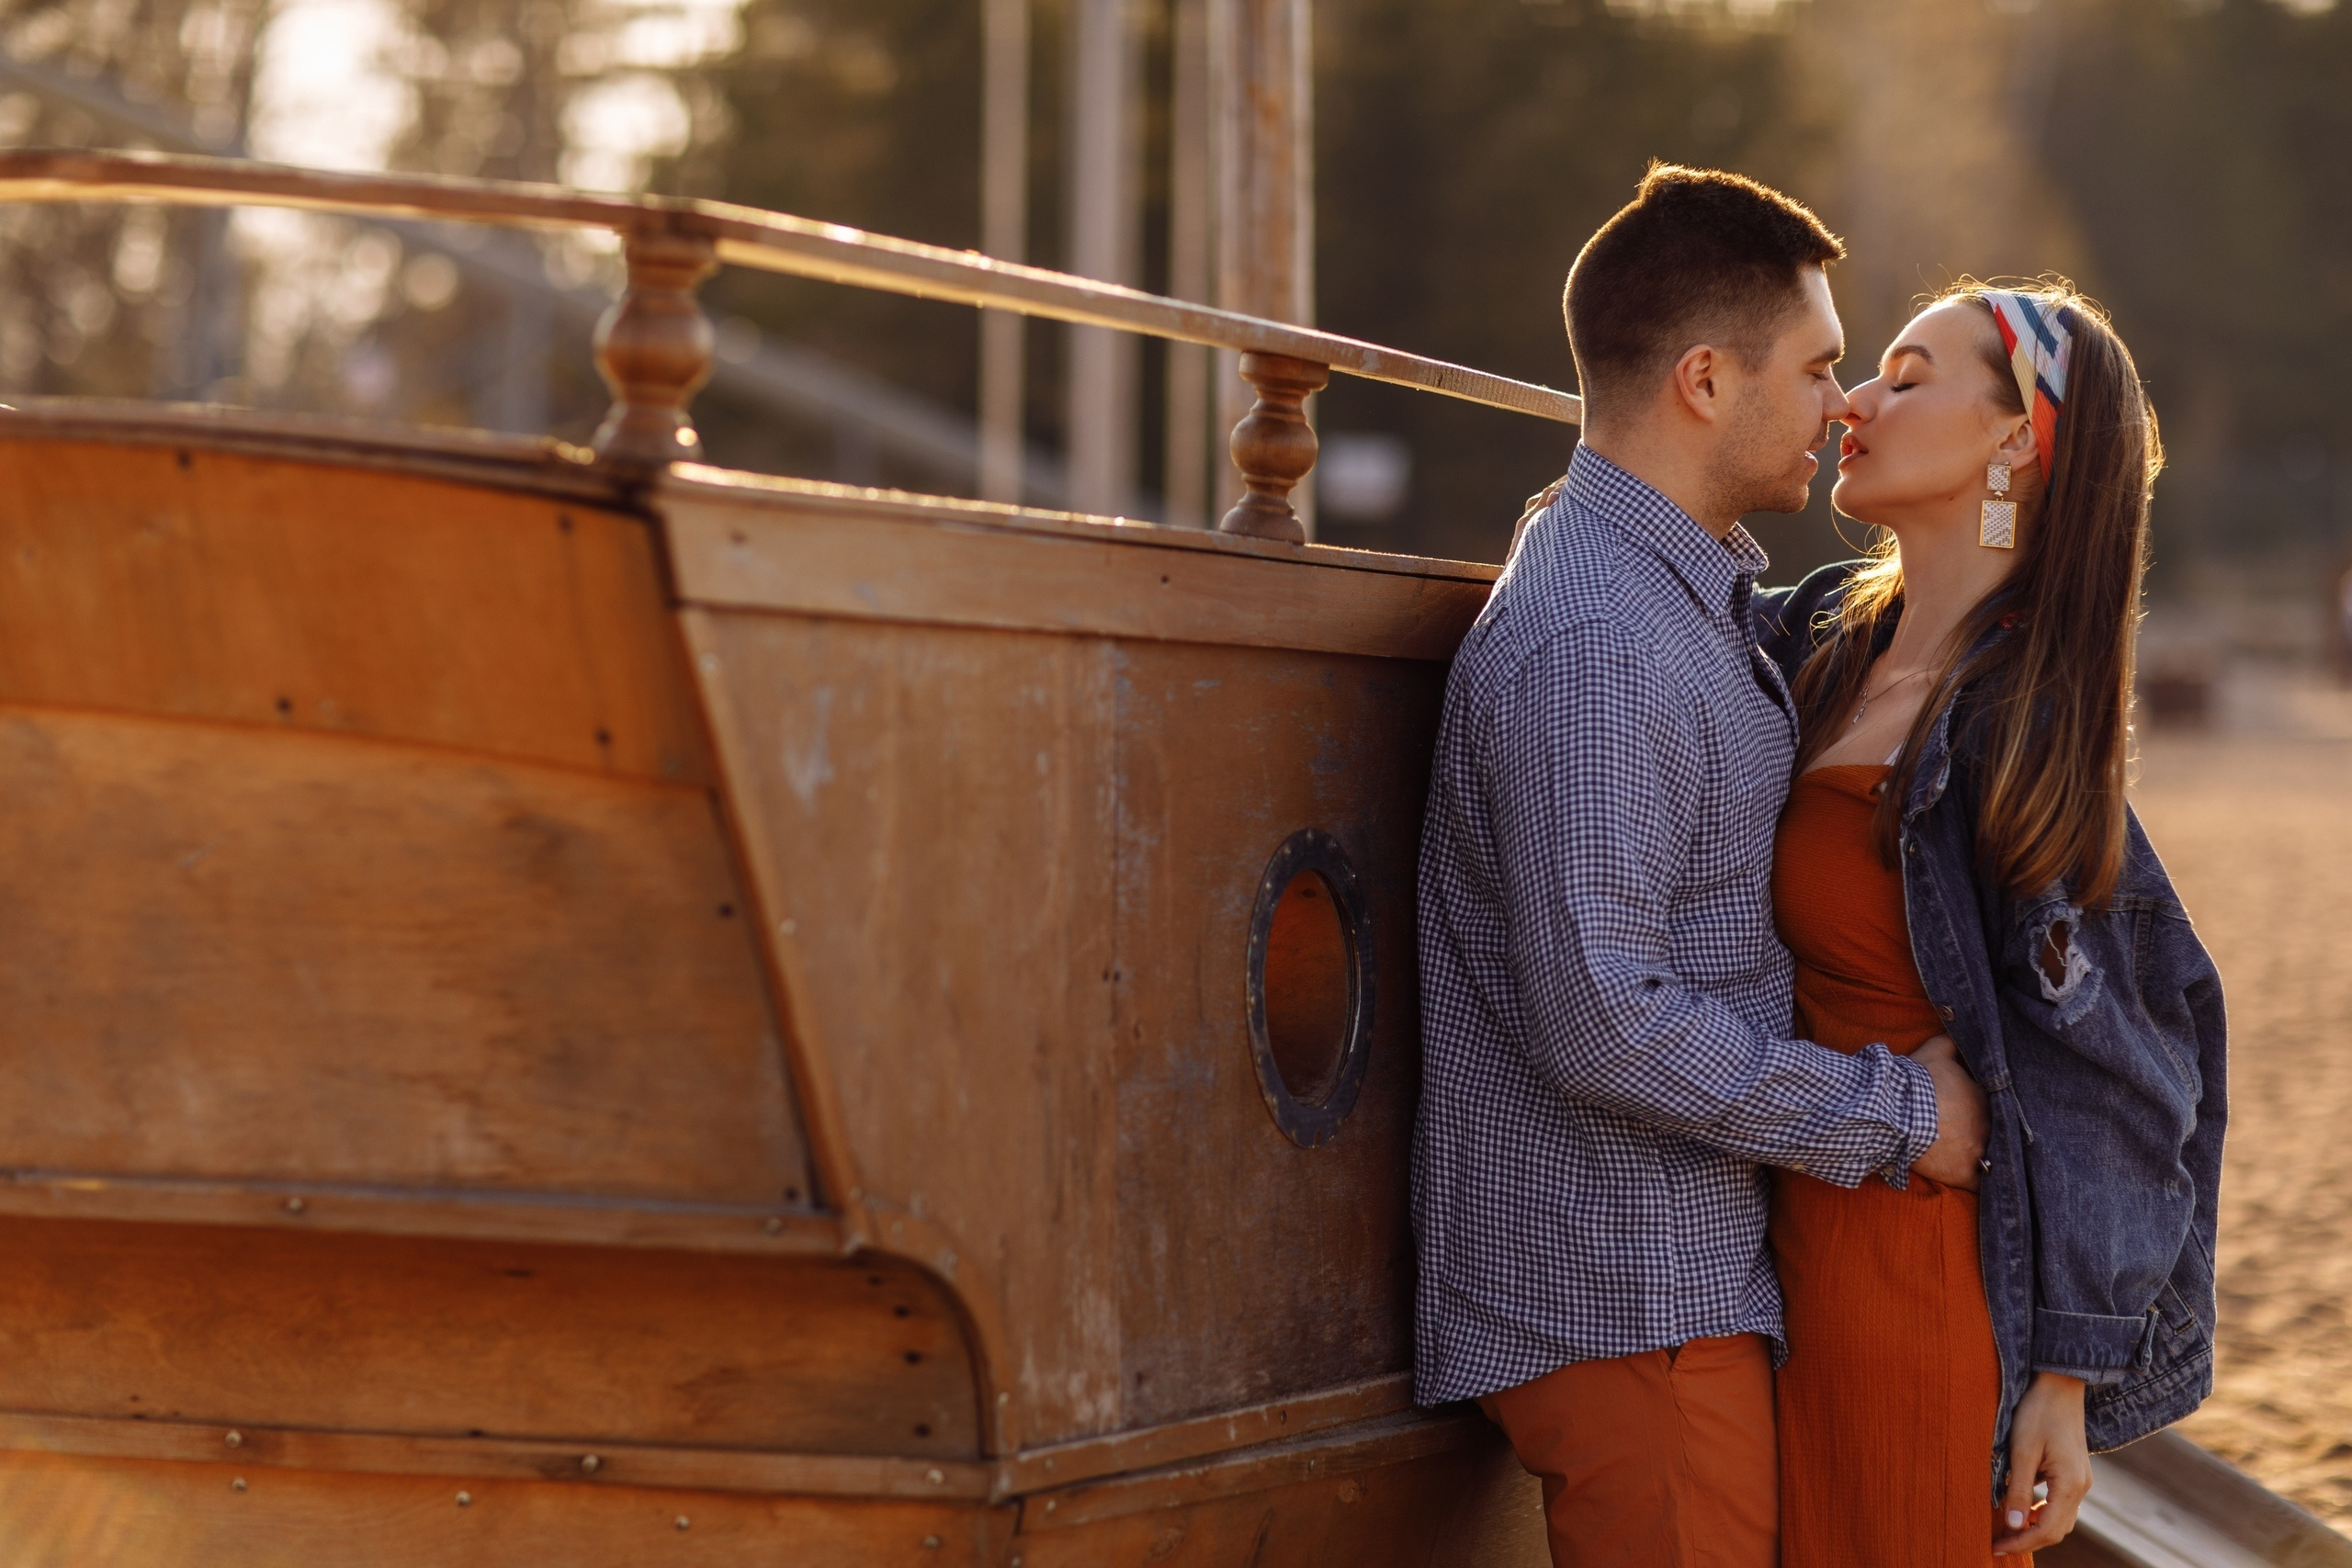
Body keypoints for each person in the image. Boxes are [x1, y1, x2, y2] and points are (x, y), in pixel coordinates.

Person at [1412, 164, 1989, 1568]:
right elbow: (1605, 1019)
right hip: (1632, 1306)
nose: (1844, 407)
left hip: (1670, 1287)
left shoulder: (1661, 581)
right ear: (1705, 381)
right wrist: (1903, 1115)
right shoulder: (1605, 647)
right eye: (1821, 369)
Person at [1757, 281, 2227, 1565]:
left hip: (1912, 1281)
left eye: (1906, 377)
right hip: (1776, 1247)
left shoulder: (2014, 726)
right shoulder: (1817, 644)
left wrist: (2067, 1378)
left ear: (2018, 437)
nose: (1856, 398)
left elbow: (2126, 1077)